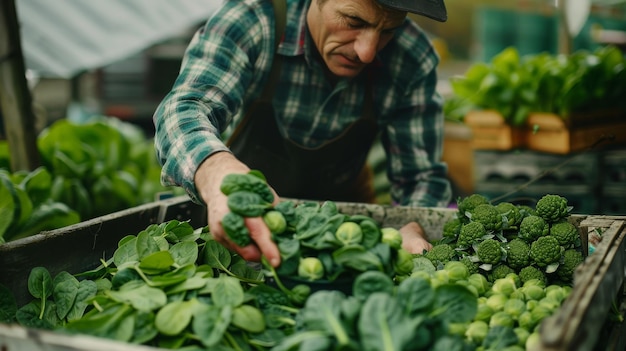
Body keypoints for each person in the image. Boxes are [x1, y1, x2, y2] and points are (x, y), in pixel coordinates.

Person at [153, 0, 452, 267]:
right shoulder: (254, 20)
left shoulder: (411, 57)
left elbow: (421, 177)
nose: (367, 51)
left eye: (388, 31)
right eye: (353, 22)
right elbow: (182, 109)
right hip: (244, 230)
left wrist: (415, 225)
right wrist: (218, 173)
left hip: (344, 246)